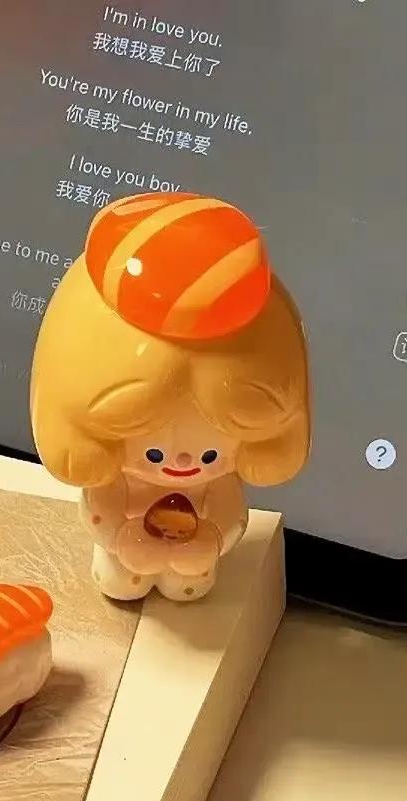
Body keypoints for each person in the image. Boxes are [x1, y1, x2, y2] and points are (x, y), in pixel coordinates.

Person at [29, 192, 311, 601]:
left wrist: (210, 540)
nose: (181, 464)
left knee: (190, 584)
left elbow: (231, 517)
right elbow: (100, 511)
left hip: (195, 562)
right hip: (125, 553)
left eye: (210, 456)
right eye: (153, 454)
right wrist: (121, 537)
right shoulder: (116, 473)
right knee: (121, 579)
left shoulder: (216, 484)